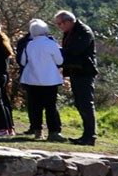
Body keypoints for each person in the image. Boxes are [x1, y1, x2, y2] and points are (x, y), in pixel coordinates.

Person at [54, 10, 98, 146]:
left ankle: (90, 136)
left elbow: (75, 51)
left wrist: (57, 52)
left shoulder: (83, 31)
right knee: (80, 103)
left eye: (60, 23)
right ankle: (86, 135)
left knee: (86, 103)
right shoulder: (71, 31)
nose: (59, 26)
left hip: (84, 72)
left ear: (68, 21)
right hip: (75, 71)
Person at [20, 18, 66, 142]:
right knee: (51, 107)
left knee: (35, 107)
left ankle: (37, 130)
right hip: (49, 80)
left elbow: (23, 61)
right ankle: (54, 131)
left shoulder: (29, 44)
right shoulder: (51, 43)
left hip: (32, 79)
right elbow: (60, 61)